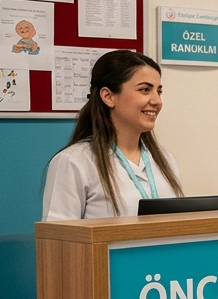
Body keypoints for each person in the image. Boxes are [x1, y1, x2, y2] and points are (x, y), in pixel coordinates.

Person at [44, 50, 184, 220]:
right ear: (108, 96)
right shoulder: (74, 161)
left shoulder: (165, 160)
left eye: (158, 91)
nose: (157, 101)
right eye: (145, 90)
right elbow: (58, 240)